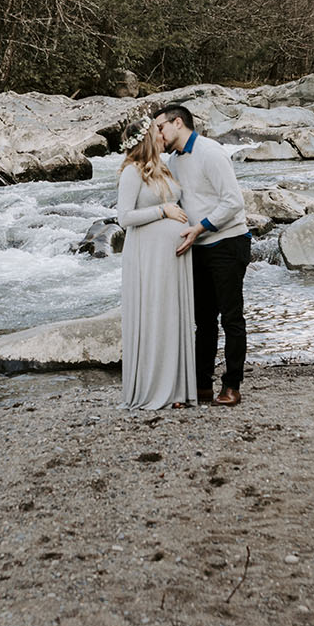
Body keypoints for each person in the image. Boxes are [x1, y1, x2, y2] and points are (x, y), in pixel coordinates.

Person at [153, 105, 249, 407]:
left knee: (231, 318)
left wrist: (200, 228)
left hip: (227, 243)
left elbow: (233, 201)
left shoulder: (211, 152)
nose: (158, 134)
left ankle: (232, 385)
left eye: (160, 127)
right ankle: (202, 385)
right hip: (198, 247)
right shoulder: (174, 160)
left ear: (177, 123)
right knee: (203, 321)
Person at [115, 116, 197, 409]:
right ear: (148, 138)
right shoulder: (132, 172)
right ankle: (153, 389)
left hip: (173, 258)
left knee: (173, 317)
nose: (163, 133)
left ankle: (177, 389)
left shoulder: (163, 167)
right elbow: (123, 218)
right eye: (157, 130)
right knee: (155, 317)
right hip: (148, 258)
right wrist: (162, 212)